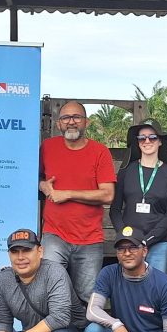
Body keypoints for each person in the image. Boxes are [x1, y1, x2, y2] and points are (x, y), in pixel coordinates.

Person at [38, 100, 116, 305]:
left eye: (76, 117)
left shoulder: (100, 152)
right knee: (49, 289)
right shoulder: (47, 147)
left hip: (89, 238)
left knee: (87, 296)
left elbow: (108, 195)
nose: (71, 122)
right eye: (65, 118)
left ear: (86, 122)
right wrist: (44, 186)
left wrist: (68, 194)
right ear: (58, 124)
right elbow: (34, 179)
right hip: (54, 234)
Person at [110, 122, 167, 272]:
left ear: (160, 141)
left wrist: (148, 239)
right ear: (137, 142)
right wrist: (126, 237)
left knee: (157, 289)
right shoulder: (126, 171)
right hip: (129, 243)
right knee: (129, 288)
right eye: (142, 138)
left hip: (160, 243)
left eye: (152, 137)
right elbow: (115, 209)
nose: (147, 141)